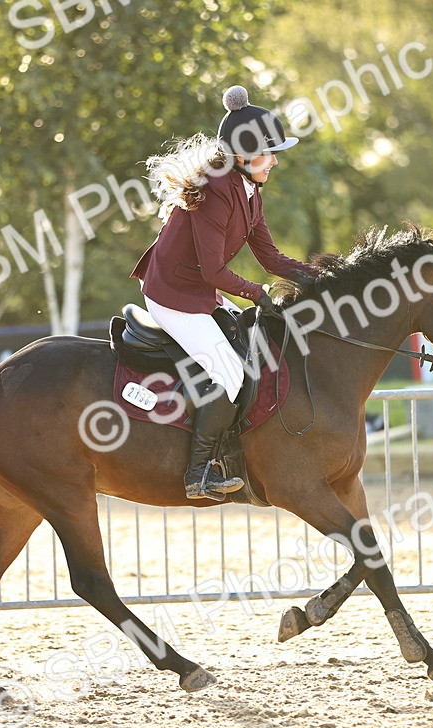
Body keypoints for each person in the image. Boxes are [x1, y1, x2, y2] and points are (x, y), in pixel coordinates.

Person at [131, 85, 318, 500]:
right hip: (171, 295)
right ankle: (198, 473)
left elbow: (271, 258)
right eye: (269, 153)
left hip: (198, 291)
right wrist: (257, 293)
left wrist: (320, 278)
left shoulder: (248, 191)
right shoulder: (217, 192)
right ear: (242, 155)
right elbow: (215, 270)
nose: (274, 161)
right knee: (231, 374)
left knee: (250, 351)